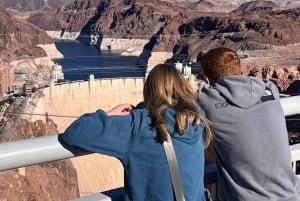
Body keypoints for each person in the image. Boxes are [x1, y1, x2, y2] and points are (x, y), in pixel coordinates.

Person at [58, 63, 212, 201]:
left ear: (149, 92)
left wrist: (109, 114)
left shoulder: (140, 126)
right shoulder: (197, 121)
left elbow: (75, 133)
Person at [197, 47, 300, 201]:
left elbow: (195, 96)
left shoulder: (207, 101)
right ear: (239, 71)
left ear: (207, 80)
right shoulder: (269, 89)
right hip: (290, 195)